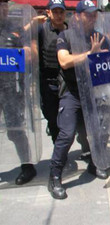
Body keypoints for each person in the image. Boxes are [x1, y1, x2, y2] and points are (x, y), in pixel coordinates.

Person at [49, 0, 110, 200]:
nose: (92, 17)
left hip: (93, 91)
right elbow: (64, 61)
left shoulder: (100, 37)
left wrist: (106, 57)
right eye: (88, 14)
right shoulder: (65, 36)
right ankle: (55, 177)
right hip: (72, 93)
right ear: (77, 16)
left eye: (95, 14)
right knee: (66, 134)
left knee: (98, 131)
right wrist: (90, 55)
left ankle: (95, 164)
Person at [0, 0, 37, 185]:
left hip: (10, 88)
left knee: (15, 130)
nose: (3, 8)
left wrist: (24, 51)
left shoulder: (15, 29)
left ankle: (27, 165)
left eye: (5, 4)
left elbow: (30, 52)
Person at [39, 0, 67, 144]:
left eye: (61, 12)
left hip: (67, 81)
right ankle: (58, 149)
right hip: (49, 83)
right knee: (52, 118)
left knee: (68, 121)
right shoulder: (41, 30)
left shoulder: (70, 31)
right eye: (55, 11)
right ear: (49, 13)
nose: (58, 15)